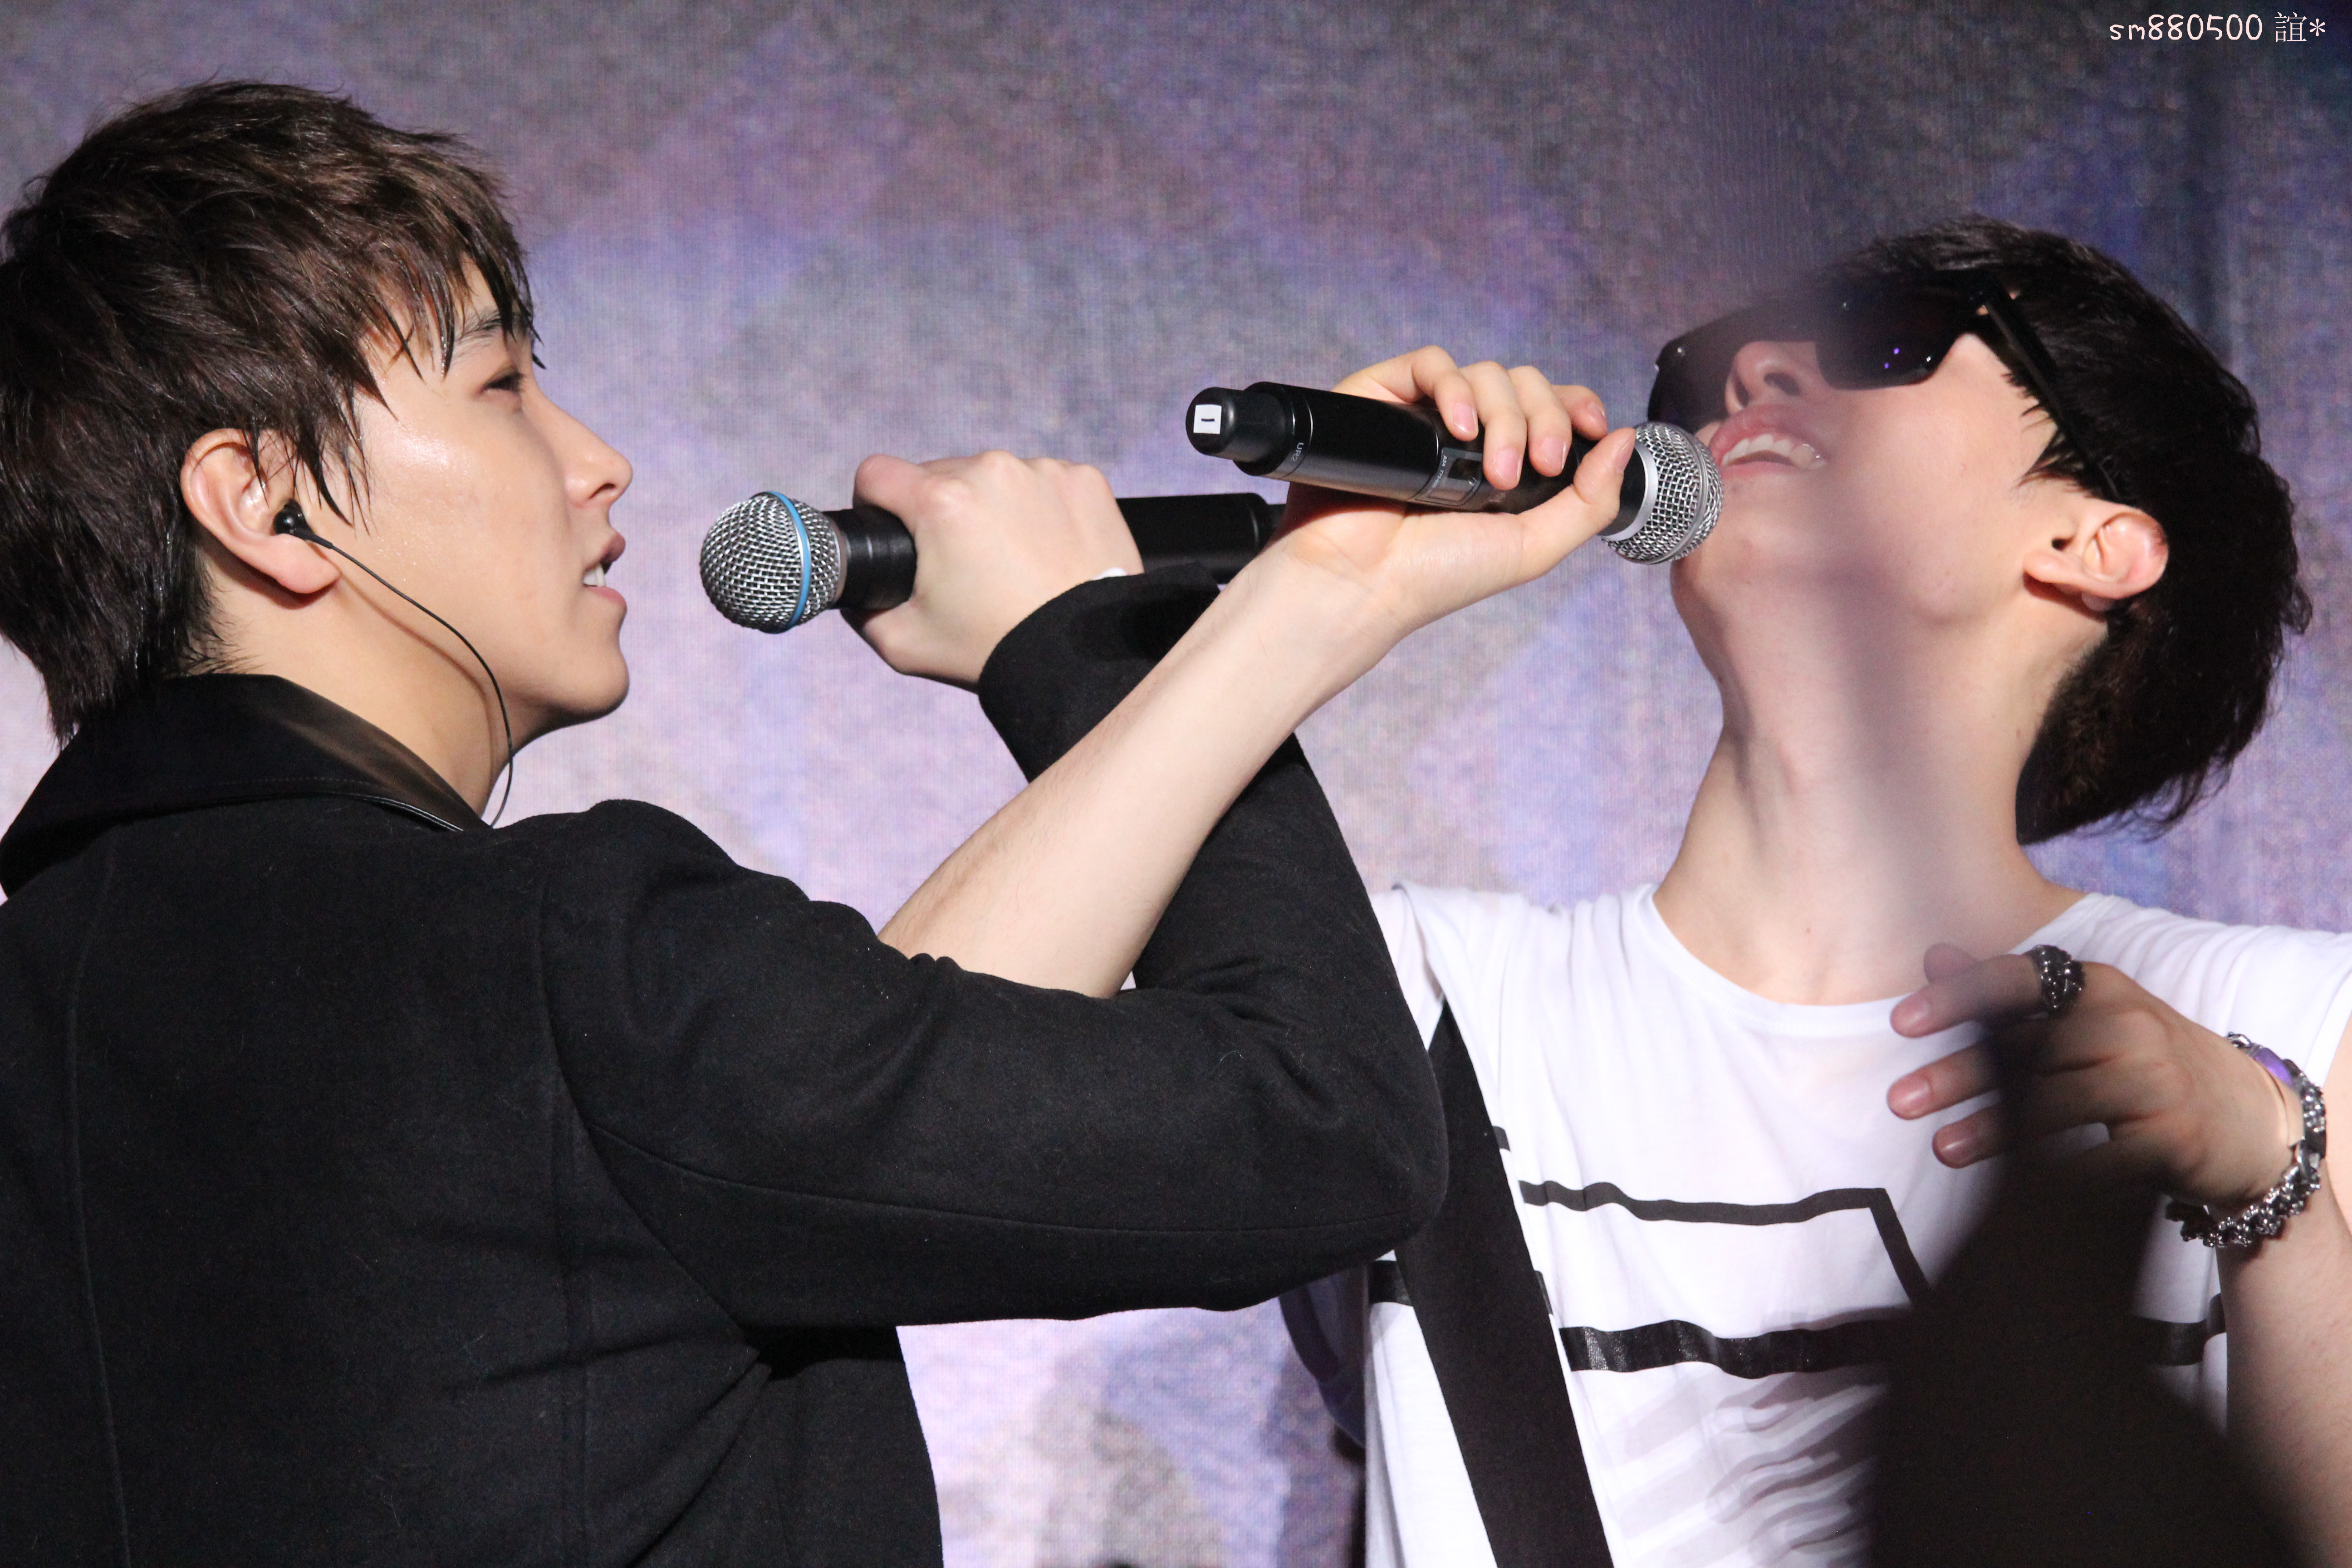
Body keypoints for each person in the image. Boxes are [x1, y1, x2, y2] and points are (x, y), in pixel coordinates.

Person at [0, 84, 1642, 1564]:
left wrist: (1306, 602)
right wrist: (1091, 639)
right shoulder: (562, 963)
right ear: (264, 499)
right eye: (501, 385)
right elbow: (1325, 1126)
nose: (598, 462)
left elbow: (849, 1095)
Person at [1282, 217, 2352, 1567]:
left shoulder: (2295, 1031)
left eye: (1883, 344)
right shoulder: (1427, 1000)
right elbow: (1003, 1098)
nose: (1757, 371)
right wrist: (1311, 600)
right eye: (1711, 368)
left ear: (2094, 542)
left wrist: (2274, 1180)